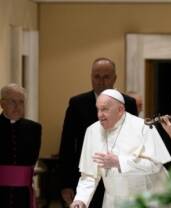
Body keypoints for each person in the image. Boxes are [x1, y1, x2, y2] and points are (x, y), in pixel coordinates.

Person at [70, 89, 171, 208]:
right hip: (113, 201)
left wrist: (119, 162)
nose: (99, 115)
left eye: (104, 109)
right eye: (98, 109)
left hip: (145, 198)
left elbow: (156, 164)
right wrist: (81, 200)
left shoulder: (143, 127)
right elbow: (89, 175)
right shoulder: (92, 131)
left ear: (120, 110)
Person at [59, 57, 138, 207]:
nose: (101, 81)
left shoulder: (128, 103)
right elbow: (67, 143)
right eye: (96, 76)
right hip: (86, 174)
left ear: (115, 78)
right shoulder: (77, 103)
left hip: (120, 176)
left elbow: (134, 140)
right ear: (91, 77)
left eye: (106, 77)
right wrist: (66, 183)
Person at [0, 83, 41, 208]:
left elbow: (33, 159)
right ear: (2, 104)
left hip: (23, 194)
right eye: (13, 102)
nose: (18, 106)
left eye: (21, 102)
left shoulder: (34, 128)